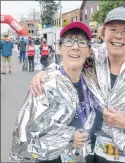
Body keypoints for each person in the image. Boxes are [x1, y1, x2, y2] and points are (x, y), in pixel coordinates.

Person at [29, 7, 125, 163]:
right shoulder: (92, 61)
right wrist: (46, 73)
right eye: (113, 29)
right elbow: (69, 62)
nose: (118, 36)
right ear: (103, 34)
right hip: (97, 149)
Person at [11, 22, 96, 163]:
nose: (75, 47)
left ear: (88, 51)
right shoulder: (44, 86)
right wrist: (67, 138)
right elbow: (24, 142)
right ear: (59, 48)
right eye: (69, 41)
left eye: (81, 42)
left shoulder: (94, 84)